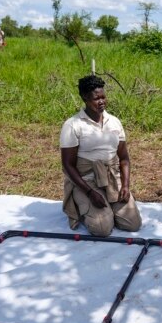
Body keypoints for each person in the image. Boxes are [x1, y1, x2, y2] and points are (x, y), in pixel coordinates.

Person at [60, 75, 142, 236]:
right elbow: (67, 165)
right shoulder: (73, 125)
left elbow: (124, 158)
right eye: (96, 98)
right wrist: (90, 192)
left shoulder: (114, 122)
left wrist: (125, 185)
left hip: (111, 178)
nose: (101, 101)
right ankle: (81, 204)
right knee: (102, 229)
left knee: (133, 224)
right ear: (84, 98)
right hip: (87, 180)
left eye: (103, 97)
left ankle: (109, 206)